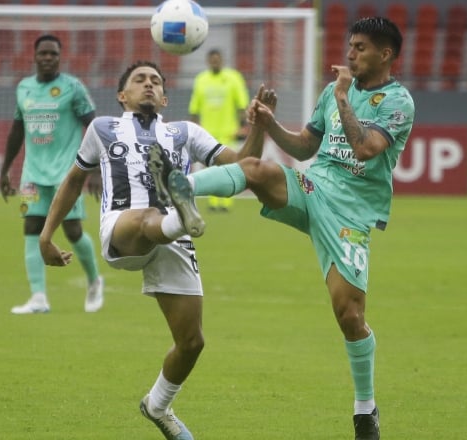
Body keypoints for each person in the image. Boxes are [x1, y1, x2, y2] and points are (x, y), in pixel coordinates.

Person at [159, 17, 414, 440]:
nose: (350, 54)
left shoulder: (398, 101)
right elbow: (305, 146)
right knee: (258, 168)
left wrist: (344, 98)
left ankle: (365, 410)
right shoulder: (333, 95)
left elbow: (366, 149)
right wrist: (268, 123)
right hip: (313, 188)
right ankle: (182, 186)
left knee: (350, 316)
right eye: (350, 45)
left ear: (385, 54)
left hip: (351, 213)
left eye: (361, 47)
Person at [38, 60, 275, 440]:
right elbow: (73, 180)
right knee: (150, 213)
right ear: (122, 95)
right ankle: (181, 213)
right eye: (139, 80)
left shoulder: (185, 132)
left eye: (156, 81)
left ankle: (157, 405)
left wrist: (260, 125)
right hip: (123, 228)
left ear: (165, 97)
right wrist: (46, 235)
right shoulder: (102, 127)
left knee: (192, 342)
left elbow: (246, 166)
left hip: (173, 243)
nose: (148, 84)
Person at [0, 34, 104, 315]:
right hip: (32, 175)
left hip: (66, 174)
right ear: (34, 56)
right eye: (43, 53)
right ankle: (38, 298)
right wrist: (5, 168)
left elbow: (94, 128)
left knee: (73, 231)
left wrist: (93, 168)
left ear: (60, 57)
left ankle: (94, 280)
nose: (48, 58)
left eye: (53, 54)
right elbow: (16, 130)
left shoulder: (73, 88)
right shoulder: (24, 88)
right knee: (31, 229)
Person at [188, 48, 250, 212]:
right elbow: (195, 107)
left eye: (218, 59)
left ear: (222, 60)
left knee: (227, 167)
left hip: (228, 130)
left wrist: (244, 126)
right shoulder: (201, 79)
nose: (215, 62)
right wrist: (194, 127)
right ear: (208, 61)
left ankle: (226, 202)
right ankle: (214, 203)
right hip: (207, 132)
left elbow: (241, 104)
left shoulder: (233, 78)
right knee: (211, 169)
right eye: (212, 60)